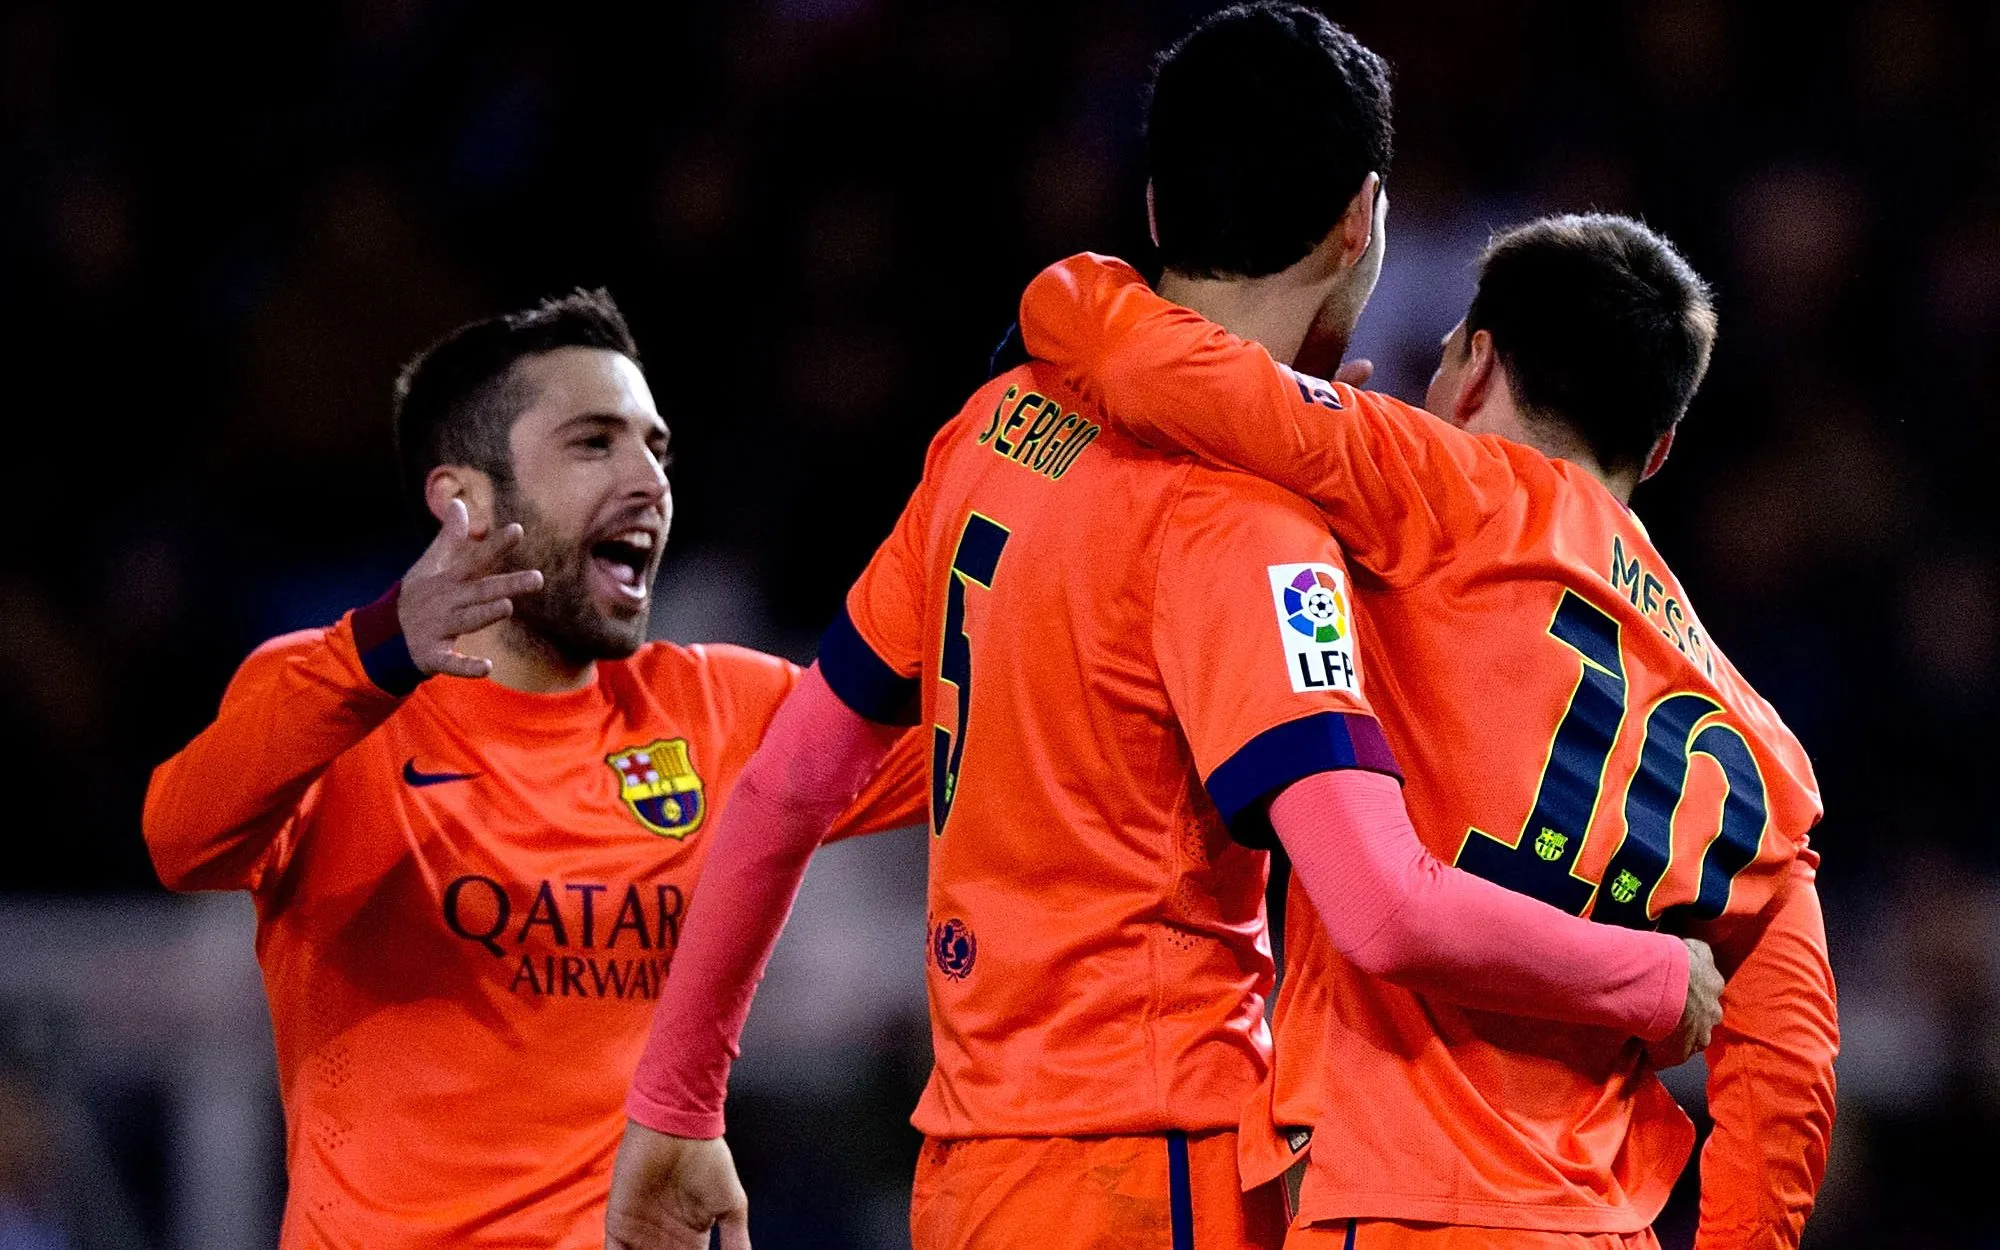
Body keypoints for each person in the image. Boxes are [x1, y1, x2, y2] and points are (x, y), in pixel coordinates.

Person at [605, 10, 1721, 1250]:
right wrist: (1652, 975)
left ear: (1152, 204)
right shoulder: (1249, 530)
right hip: (1151, 1171)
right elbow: (1381, 905)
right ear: (1363, 221)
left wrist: (676, 1096)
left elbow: (787, 782)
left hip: (967, 1170)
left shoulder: (997, 427)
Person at [1017, 215, 1836, 1248]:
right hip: (1598, 1222)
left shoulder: (1443, 485)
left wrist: (1064, 291)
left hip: (1405, 1203)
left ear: (1474, 363)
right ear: (1658, 447)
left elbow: (1148, 364)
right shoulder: (1763, 753)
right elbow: (1788, 1068)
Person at [141, 289, 927, 1249]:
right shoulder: (333, 698)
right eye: (595, 443)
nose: (648, 480)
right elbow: (181, 840)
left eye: (657, 447)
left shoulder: (717, 709)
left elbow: (998, 735)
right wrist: (377, 653)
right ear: (466, 500)